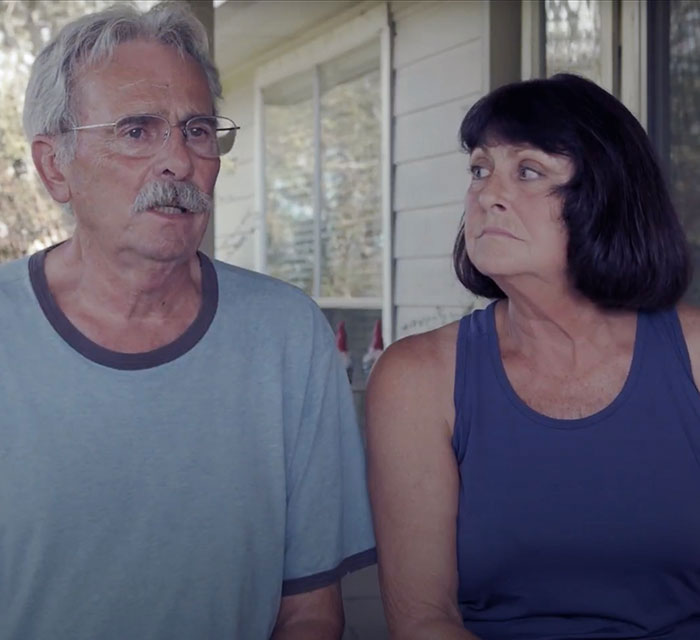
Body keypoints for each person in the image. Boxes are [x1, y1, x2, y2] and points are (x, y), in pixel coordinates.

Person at [0, 3, 376, 639]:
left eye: (198, 130)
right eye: (138, 130)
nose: (179, 160)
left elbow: (311, 612)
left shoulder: (287, 337)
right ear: (53, 166)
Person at [366, 73, 700, 640]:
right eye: (479, 169)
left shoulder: (694, 355)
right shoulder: (416, 379)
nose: (486, 193)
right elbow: (424, 620)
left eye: (528, 170)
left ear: (607, 197)